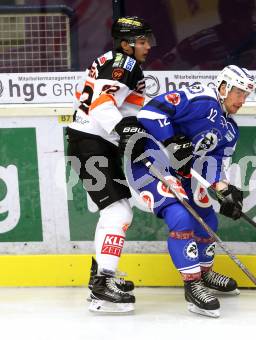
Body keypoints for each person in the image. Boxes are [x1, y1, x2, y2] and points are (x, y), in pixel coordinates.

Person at [128, 65, 256, 318]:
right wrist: (171, 140)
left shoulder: (230, 129)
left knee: (207, 220)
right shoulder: (202, 100)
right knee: (181, 218)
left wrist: (223, 189)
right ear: (223, 88)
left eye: (246, 95)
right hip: (150, 163)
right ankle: (192, 284)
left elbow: (216, 164)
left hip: (181, 172)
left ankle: (204, 274)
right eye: (238, 93)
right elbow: (150, 111)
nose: (242, 100)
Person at [66, 16, 156, 313]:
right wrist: (126, 133)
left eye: (147, 41)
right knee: (118, 209)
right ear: (125, 43)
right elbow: (101, 106)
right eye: (142, 41)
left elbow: (124, 111)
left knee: (116, 210)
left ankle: (100, 277)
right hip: (90, 143)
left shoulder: (116, 61)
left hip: (94, 142)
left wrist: (131, 134)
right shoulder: (124, 64)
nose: (147, 46)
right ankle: (102, 284)